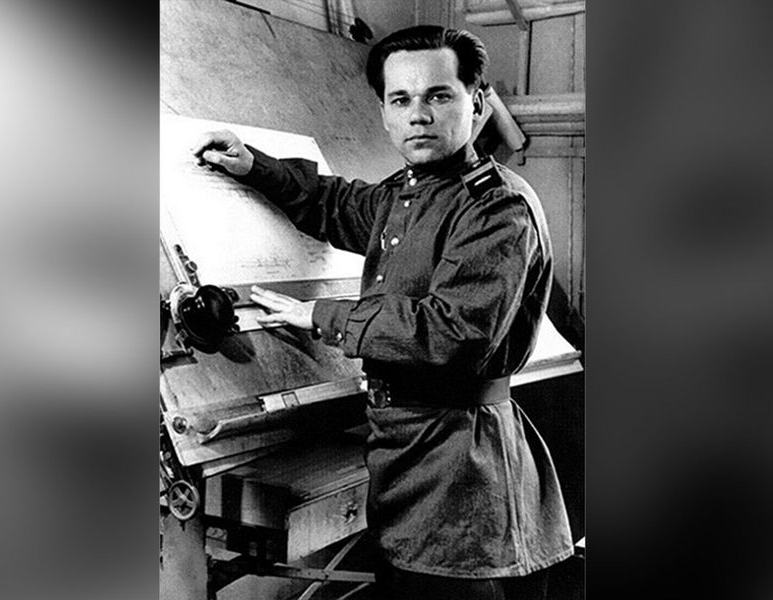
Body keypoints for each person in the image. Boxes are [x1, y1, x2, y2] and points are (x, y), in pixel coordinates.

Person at [193, 25, 573, 600]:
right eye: (401, 99)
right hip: (407, 459)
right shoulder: (411, 192)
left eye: (438, 96)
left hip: (462, 471)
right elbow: (337, 203)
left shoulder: (496, 207)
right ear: (385, 114)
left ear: (476, 103)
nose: (418, 115)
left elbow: (453, 332)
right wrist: (254, 166)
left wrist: (321, 315)